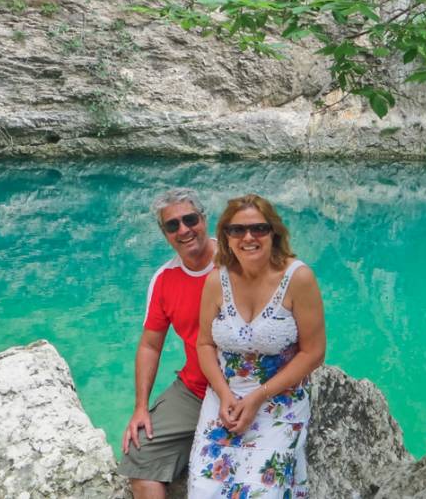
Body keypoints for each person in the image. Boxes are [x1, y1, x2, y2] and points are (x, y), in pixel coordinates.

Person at [188, 194, 326, 498]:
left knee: (260, 491)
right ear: (225, 236)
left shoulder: (298, 278)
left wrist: (257, 397)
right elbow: (205, 344)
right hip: (224, 399)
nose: (248, 237)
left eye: (259, 229)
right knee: (205, 488)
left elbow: (313, 352)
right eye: (237, 230)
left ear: (273, 232)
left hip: (279, 398)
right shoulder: (216, 280)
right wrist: (224, 394)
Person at [118, 188, 217, 499]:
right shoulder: (164, 279)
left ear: (204, 219)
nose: (184, 230)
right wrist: (140, 408)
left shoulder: (239, 261)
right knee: (139, 456)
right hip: (196, 391)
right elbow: (150, 345)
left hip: (247, 388)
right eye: (172, 225)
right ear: (164, 233)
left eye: (190, 219)